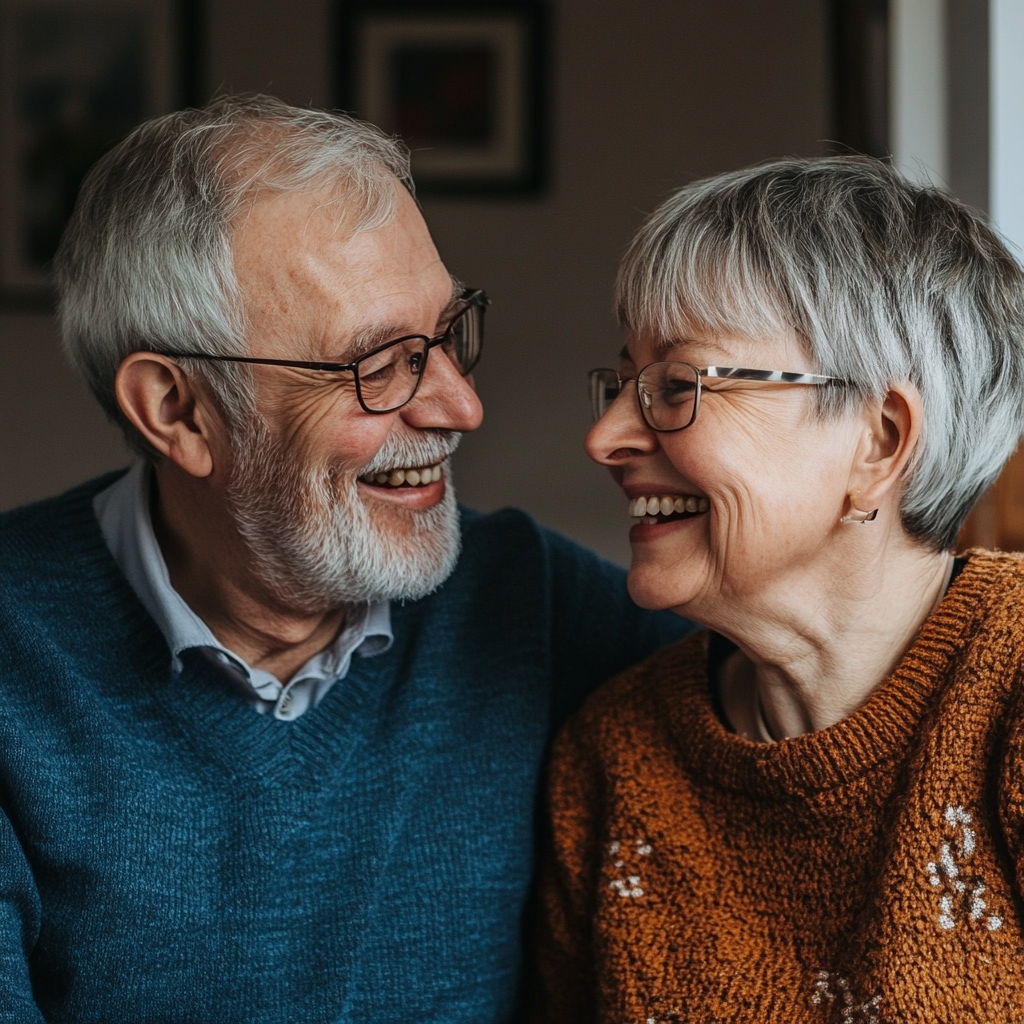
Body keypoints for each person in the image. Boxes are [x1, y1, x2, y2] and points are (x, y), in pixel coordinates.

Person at [0, 95, 694, 1023]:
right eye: (378, 364)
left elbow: (812, 697)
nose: (457, 406)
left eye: (447, 336)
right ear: (177, 411)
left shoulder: (520, 598)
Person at [531, 156, 1024, 1023]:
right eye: (623, 385)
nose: (605, 435)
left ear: (877, 440)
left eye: (677, 386)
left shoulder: (1011, 693)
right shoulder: (611, 758)